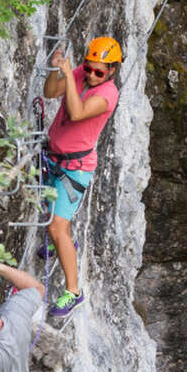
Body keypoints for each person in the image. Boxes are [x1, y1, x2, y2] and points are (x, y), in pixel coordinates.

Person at [42, 36, 121, 320]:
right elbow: (50, 92)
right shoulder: (81, 74)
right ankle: (62, 244)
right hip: (55, 158)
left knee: (57, 227)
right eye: (88, 68)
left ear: (111, 70)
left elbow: (76, 113)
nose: (91, 75)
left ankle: (74, 292)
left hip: (75, 169)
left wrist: (69, 74)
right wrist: (57, 69)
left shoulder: (108, 94)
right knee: (52, 220)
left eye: (98, 71)